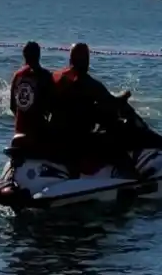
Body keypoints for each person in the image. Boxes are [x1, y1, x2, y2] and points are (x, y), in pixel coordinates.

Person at [52, 42, 136, 177]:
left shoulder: (56, 76)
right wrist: (124, 96)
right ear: (86, 61)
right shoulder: (86, 82)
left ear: (70, 59)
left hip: (56, 136)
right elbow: (111, 102)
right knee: (115, 144)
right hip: (78, 140)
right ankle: (133, 179)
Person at [9, 42, 55, 141]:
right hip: (38, 131)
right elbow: (52, 106)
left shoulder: (17, 75)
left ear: (24, 55)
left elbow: (12, 106)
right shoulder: (45, 75)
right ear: (39, 55)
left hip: (19, 130)